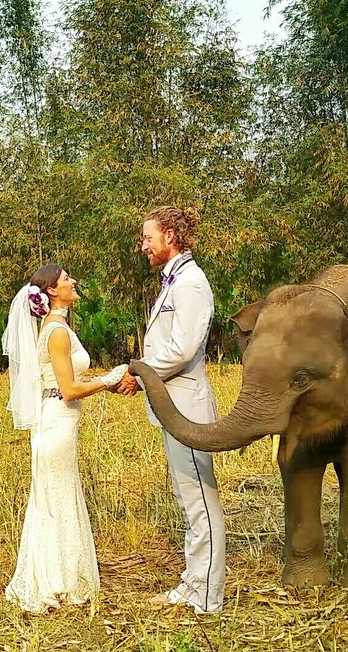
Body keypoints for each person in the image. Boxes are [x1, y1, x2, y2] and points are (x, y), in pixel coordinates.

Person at [117, 205, 225, 613]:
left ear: (170, 236)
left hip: (187, 408)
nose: (142, 246)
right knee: (187, 497)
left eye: (147, 238)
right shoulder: (175, 281)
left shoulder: (191, 284)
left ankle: (207, 597)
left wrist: (139, 372)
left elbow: (181, 349)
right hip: (172, 406)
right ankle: (193, 582)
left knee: (199, 499)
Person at [2, 264, 128, 613]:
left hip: (60, 420)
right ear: (52, 291)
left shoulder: (56, 327)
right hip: (57, 422)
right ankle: (56, 581)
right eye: (66, 278)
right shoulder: (57, 332)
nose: (73, 281)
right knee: (55, 496)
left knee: (55, 494)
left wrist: (105, 382)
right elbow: (70, 389)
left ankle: (60, 576)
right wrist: (109, 379)